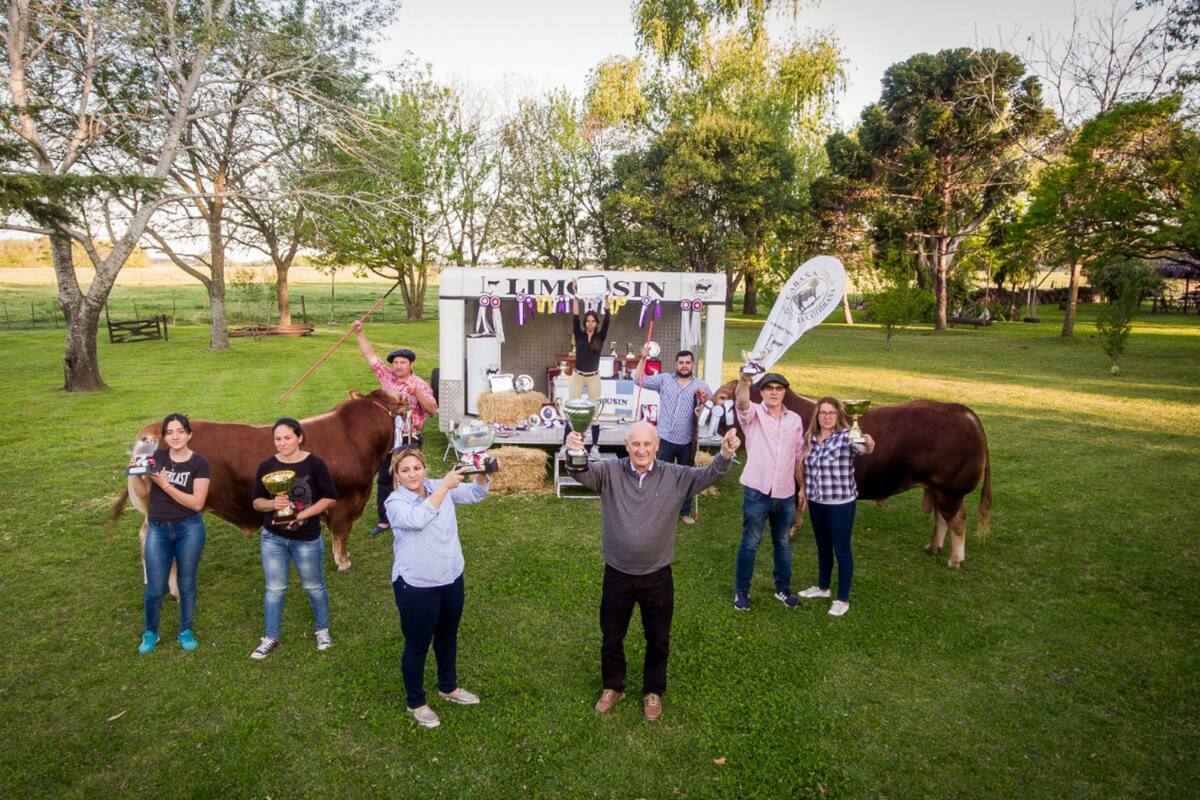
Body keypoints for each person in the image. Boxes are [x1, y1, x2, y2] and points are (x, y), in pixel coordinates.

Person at [567, 422, 740, 722]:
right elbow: (579, 472)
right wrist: (574, 452)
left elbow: (709, 475)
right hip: (618, 573)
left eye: (647, 444)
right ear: (626, 445)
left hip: (657, 575)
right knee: (611, 636)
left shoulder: (675, 476)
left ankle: (653, 690)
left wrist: (724, 454)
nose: (641, 450)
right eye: (636, 444)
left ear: (657, 445)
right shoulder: (609, 472)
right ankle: (612, 686)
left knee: (658, 638)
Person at [385, 449, 490, 729]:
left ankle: (448, 687)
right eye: (405, 470)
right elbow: (417, 520)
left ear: (424, 468)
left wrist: (481, 473)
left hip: (451, 577)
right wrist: (444, 486)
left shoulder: (434, 486)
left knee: (447, 637)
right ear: (396, 474)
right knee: (417, 645)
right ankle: (416, 702)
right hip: (417, 585)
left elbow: (476, 494)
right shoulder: (395, 502)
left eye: (417, 468)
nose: (412, 475)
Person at [249, 418, 338, 660]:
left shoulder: (315, 464)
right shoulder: (267, 466)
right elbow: (257, 502)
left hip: (307, 538)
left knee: (313, 586)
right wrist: (272, 503)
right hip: (273, 538)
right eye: (277, 438)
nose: (282, 443)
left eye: (287, 437)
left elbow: (329, 498)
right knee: (274, 589)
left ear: (299, 437)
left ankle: (322, 630)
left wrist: (301, 514)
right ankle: (270, 637)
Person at [128, 413, 210, 654]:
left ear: (189, 435)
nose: (175, 436)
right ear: (164, 436)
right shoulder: (156, 457)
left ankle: (185, 631)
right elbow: (144, 493)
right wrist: (137, 474)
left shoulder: (199, 463)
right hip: (158, 528)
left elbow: (197, 503)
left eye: (180, 432)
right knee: (155, 587)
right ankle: (150, 633)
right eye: (170, 432)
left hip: (189, 529)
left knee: (186, 583)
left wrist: (165, 485)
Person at [351, 318, 438, 537]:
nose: (398, 366)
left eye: (402, 362)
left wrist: (417, 393)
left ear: (411, 365)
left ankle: (418, 513)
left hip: (410, 438)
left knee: (411, 476)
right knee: (384, 477)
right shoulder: (387, 378)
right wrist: (360, 333)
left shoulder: (420, 385)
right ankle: (384, 519)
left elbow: (433, 410)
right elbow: (370, 357)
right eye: (396, 362)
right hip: (388, 438)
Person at [732, 372, 805, 612]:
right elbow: (742, 402)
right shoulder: (753, 414)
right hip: (757, 491)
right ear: (761, 392)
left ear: (785, 391)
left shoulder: (794, 420)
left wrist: (802, 486)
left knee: (782, 543)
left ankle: (783, 589)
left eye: (779, 388)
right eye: (769, 388)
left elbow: (796, 458)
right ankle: (741, 592)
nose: (774, 392)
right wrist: (744, 381)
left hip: (784, 494)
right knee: (750, 543)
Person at [797, 397, 875, 617]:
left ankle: (842, 598)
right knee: (823, 547)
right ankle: (823, 587)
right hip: (817, 502)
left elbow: (864, 448)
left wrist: (867, 441)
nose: (827, 416)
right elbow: (806, 467)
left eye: (831, 413)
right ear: (817, 415)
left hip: (840, 504)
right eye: (823, 412)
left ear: (838, 415)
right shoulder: (810, 438)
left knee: (841, 550)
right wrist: (803, 489)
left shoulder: (846, 436)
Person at [633, 347, 713, 524]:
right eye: (681, 362)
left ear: (692, 365)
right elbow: (638, 380)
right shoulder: (664, 380)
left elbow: (712, 405)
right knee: (660, 476)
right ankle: (657, 510)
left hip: (687, 440)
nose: (684, 366)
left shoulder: (701, 385)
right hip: (665, 437)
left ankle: (684, 512)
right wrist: (642, 358)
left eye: (688, 363)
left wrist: (703, 407)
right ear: (676, 364)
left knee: (686, 477)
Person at [569, 293, 609, 457]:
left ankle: (594, 447)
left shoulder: (600, 336)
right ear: (585, 323)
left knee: (595, 413)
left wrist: (607, 296)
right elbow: (575, 316)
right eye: (588, 321)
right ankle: (570, 444)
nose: (590, 323)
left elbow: (608, 318)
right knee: (572, 410)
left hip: (593, 377)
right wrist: (575, 295)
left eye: (593, 321)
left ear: (596, 323)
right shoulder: (579, 335)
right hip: (578, 376)